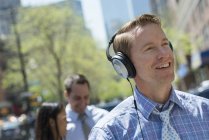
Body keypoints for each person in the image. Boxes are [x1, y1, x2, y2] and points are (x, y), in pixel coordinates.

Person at [89, 14, 209, 140]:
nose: (164, 54)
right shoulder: (109, 133)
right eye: (150, 48)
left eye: (165, 44)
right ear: (126, 65)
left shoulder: (206, 111)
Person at [64, 73, 109, 140]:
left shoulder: (103, 117)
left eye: (86, 97)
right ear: (66, 95)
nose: (82, 103)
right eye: (77, 98)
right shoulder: (61, 125)